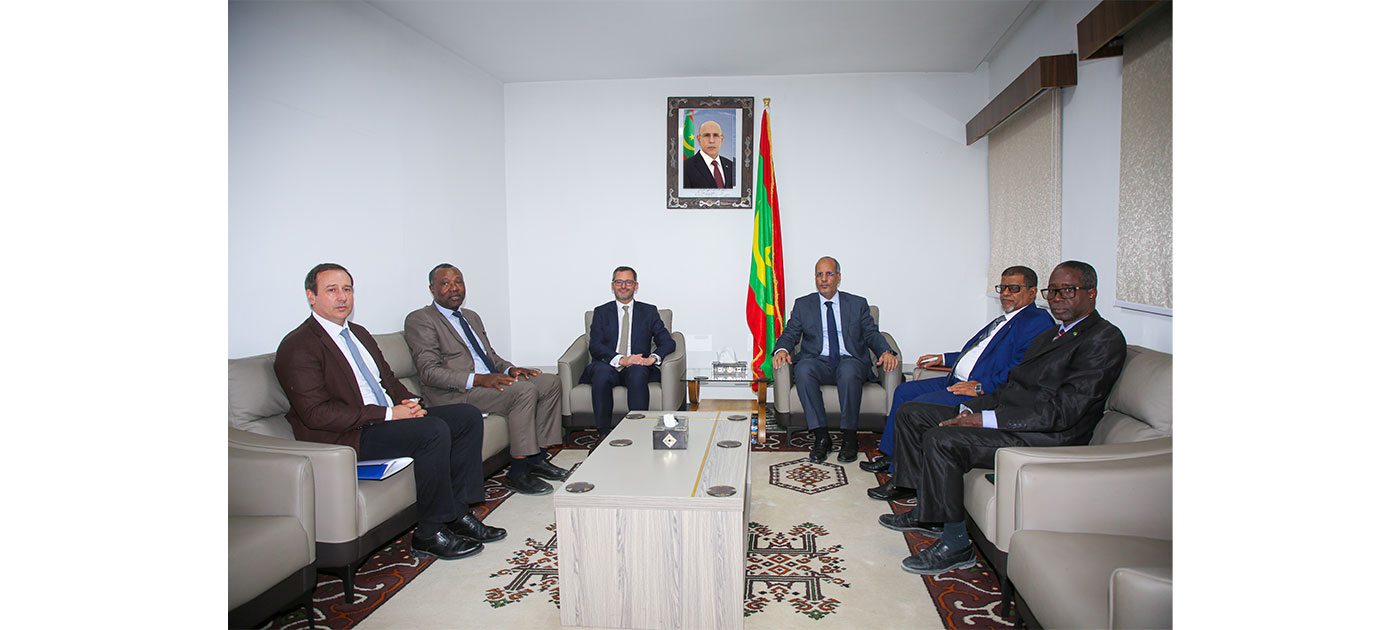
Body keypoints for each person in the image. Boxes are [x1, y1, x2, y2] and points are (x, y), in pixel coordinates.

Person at [877, 261, 1127, 576]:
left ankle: (956, 544)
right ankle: (926, 513)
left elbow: (1065, 411)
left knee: (942, 439)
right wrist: (972, 409)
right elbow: (1012, 385)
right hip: (1013, 415)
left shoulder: (1103, 338)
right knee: (913, 412)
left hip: (1047, 434)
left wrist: (986, 420)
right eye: (1053, 291)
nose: (1057, 298)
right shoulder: (1050, 336)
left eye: (1067, 291)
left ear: (1091, 293)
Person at [274, 263, 506, 562]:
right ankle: (429, 533)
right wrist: (387, 415)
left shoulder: (358, 333)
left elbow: (389, 380)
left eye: (347, 289)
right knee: (433, 431)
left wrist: (411, 403)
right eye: (332, 290)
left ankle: (458, 513)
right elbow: (316, 414)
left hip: (384, 421)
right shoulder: (298, 345)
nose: (342, 297)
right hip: (350, 435)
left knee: (466, 416)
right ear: (311, 296)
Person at [864, 265, 1055, 500]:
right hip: (956, 379)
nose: (1006, 294)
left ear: (1032, 292)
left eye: (1013, 288)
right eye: (1003, 288)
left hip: (976, 389)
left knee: (913, 408)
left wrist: (981, 387)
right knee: (904, 391)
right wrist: (944, 358)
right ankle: (892, 455)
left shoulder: (1036, 321)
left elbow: (1021, 368)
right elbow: (979, 353)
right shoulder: (1007, 319)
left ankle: (903, 479)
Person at [403, 263, 569, 497]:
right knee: (523, 392)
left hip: (487, 383)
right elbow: (429, 372)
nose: (454, 288)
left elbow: (488, 355)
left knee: (549, 382)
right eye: (445, 283)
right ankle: (518, 472)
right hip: (456, 393)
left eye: (458, 282)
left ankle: (537, 458)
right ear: (432, 289)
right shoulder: (421, 319)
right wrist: (479, 379)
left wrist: (510, 369)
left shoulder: (471, 317)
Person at [772, 256, 897, 463]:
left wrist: (886, 351)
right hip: (818, 362)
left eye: (829, 274)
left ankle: (849, 438)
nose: (824, 279)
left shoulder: (857, 304)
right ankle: (822, 438)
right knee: (803, 370)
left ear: (838, 277)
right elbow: (790, 334)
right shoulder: (803, 305)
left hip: (850, 361)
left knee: (848, 371)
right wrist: (782, 350)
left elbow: (872, 334)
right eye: (819, 275)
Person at [580, 266, 677, 436]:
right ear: (612, 285)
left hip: (636, 366)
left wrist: (652, 358)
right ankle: (603, 434)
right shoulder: (601, 312)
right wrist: (621, 359)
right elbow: (595, 345)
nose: (623, 286)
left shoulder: (649, 312)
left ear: (635, 286)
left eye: (628, 282)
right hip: (608, 364)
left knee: (638, 372)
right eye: (619, 282)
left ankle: (637, 432)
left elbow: (668, 342)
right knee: (602, 373)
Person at [683, 120, 735, 188]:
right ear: (699, 139)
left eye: (716, 135)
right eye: (706, 135)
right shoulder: (685, 167)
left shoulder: (731, 166)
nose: (711, 141)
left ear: (721, 139)